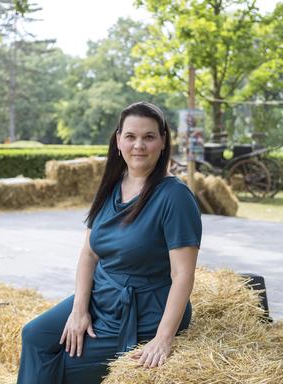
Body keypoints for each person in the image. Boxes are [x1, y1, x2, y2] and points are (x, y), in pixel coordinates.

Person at [17, 101, 202, 384]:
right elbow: (89, 253)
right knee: (33, 335)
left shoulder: (175, 197)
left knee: (64, 365)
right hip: (103, 295)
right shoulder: (111, 185)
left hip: (146, 309)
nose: (138, 145)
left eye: (149, 137)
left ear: (163, 142)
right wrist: (79, 309)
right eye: (131, 136)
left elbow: (183, 274)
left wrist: (163, 338)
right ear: (118, 140)